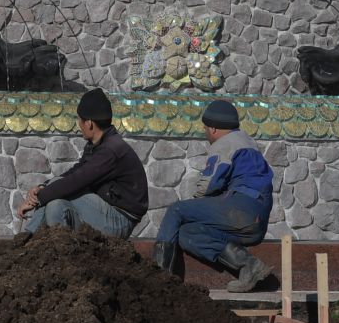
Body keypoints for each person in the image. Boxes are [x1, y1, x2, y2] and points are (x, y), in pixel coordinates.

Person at [151, 98, 276, 291]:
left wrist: (191, 209)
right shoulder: (247, 141)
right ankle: (249, 265)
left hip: (241, 207)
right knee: (187, 234)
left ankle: (159, 280)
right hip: (255, 221)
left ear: (214, 129)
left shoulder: (225, 144)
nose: (205, 132)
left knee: (176, 211)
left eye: (205, 128)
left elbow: (208, 186)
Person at [16, 89, 149, 239]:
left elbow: (76, 181)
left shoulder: (111, 150)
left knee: (63, 187)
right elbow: (77, 171)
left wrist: (36, 200)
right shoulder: (98, 144)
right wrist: (44, 187)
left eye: (80, 120)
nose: (79, 125)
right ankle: (54, 252)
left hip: (119, 220)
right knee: (55, 206)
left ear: (89, 123)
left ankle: (27, 236)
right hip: (102, 214)